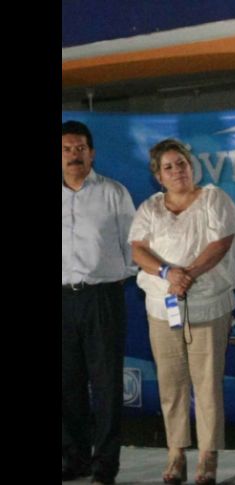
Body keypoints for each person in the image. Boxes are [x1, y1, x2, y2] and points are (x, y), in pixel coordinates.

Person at [128, 139, 235, 485]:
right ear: (158, 176)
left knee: (207, 384)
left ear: (192, 167)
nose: (178, 171)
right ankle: (175, 452)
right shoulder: (149, 208)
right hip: (162, 308)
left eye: (182, 164)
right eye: (169, 167)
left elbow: (220, 244)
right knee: (171, 384)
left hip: (207, 305)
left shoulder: (213, 199)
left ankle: (208, 456)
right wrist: (167, 274)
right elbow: (138, 250)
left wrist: (188, 274)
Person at [62, 120, 136, 485]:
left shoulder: (113, 192)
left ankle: (105, 464)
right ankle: (73, 459)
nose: (73, 155)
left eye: (80, 148)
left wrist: (106, 281)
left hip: (102, 298)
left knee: (106, 384)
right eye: (66, 149)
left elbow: (132, 249)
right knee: (67, 384)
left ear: (92, 153)